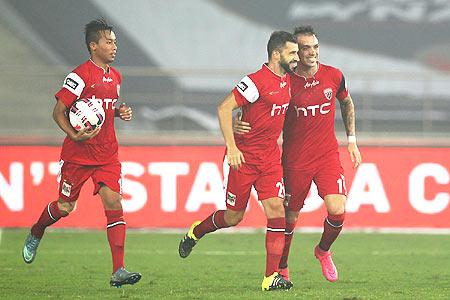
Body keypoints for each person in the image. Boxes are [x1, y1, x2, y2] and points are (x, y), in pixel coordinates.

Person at [234, 26, 362, 283]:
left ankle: (322, 251)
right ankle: (281, 268)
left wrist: (352, 140)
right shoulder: (286, 81)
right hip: (294, 159)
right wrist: (238, 120)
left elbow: (346, 101)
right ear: (295, 52)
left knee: (337, 210)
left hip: (327, 155)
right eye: (305, 48)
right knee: (289, 217)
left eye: (315, 46)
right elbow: (254, 105)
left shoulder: (334, 75)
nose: (312, 52)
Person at [22, 18, 141, 288]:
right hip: (77, 156)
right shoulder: (79, 76)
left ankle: (118, 270)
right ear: (93, 45)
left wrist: (120, 113)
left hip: (107, 155)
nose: (114, 46)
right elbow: (59, 111)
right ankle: (37, 231)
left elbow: (103, 112)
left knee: (114, 203)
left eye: (115, 41)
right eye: (108, 42)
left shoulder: (116, 76)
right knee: (64, 207)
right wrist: (74, 134)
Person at [178, 31, 299, 291]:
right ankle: (196, 232)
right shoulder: (255, 81)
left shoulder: (289, 80)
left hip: (269, 160)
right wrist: (231, 146)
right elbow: (223, 108)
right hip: (242, 159)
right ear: (276, 54)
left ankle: (270, 278)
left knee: (276, 210)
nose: (296, 58)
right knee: (234, 217)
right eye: (292, 53)